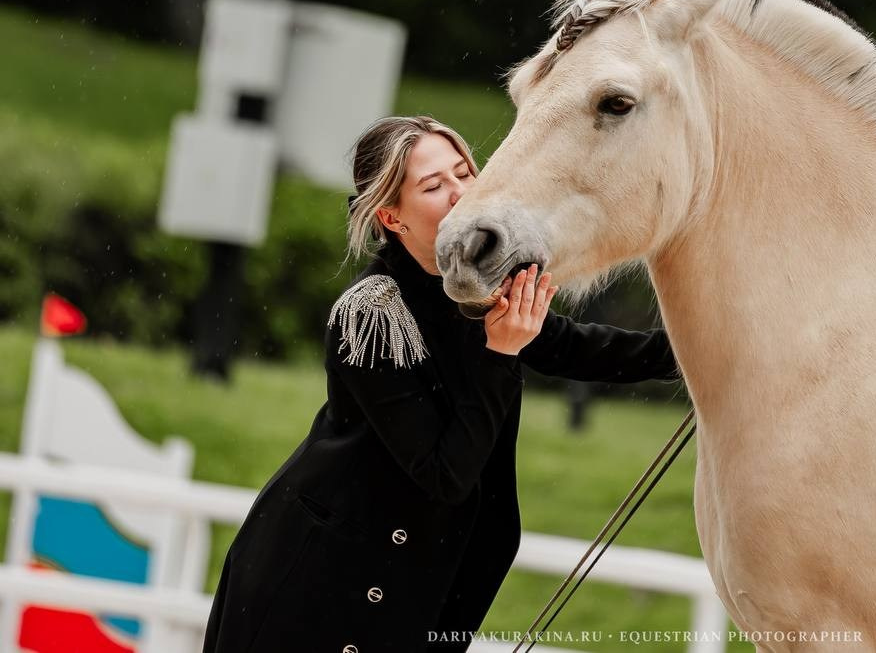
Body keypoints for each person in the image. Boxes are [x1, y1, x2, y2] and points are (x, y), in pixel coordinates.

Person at [202, 115, 682, 653]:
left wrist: (711, 353)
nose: (459, 193)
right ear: (391, 216)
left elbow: (587, 349)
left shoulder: (481, 287)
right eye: (433, 186)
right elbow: (443, 472)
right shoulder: (371, 315)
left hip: (415, 585)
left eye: (464, 173)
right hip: (323, 586)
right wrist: (501, 352)